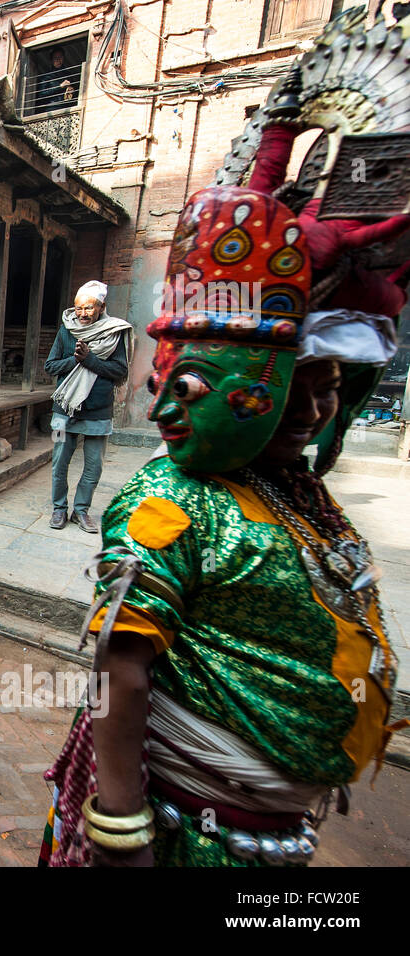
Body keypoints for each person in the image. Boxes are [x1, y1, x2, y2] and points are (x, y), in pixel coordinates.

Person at [42, 183, 408, 868]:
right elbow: (119, 667)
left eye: (325, 388)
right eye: (293, 387)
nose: (309, 409)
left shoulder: (295, 490)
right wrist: (121, 832)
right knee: (70, 468)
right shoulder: (172, 496)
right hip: (191, 829)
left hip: (272, 830)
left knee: (84, 469)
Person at [44, 281, 131, 533]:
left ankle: (80, 511)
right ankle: (59, 509)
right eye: (78, 308)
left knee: (94, 466)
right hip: (63, 413)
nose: (82, 313)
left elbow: (120, 370)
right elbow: (50, 366)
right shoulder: (66, 331)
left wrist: (90, 360)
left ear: (102, 307)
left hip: (98, 413)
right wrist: (75, 361)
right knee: (59, 462)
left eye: (88, 308)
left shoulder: (114, 332)